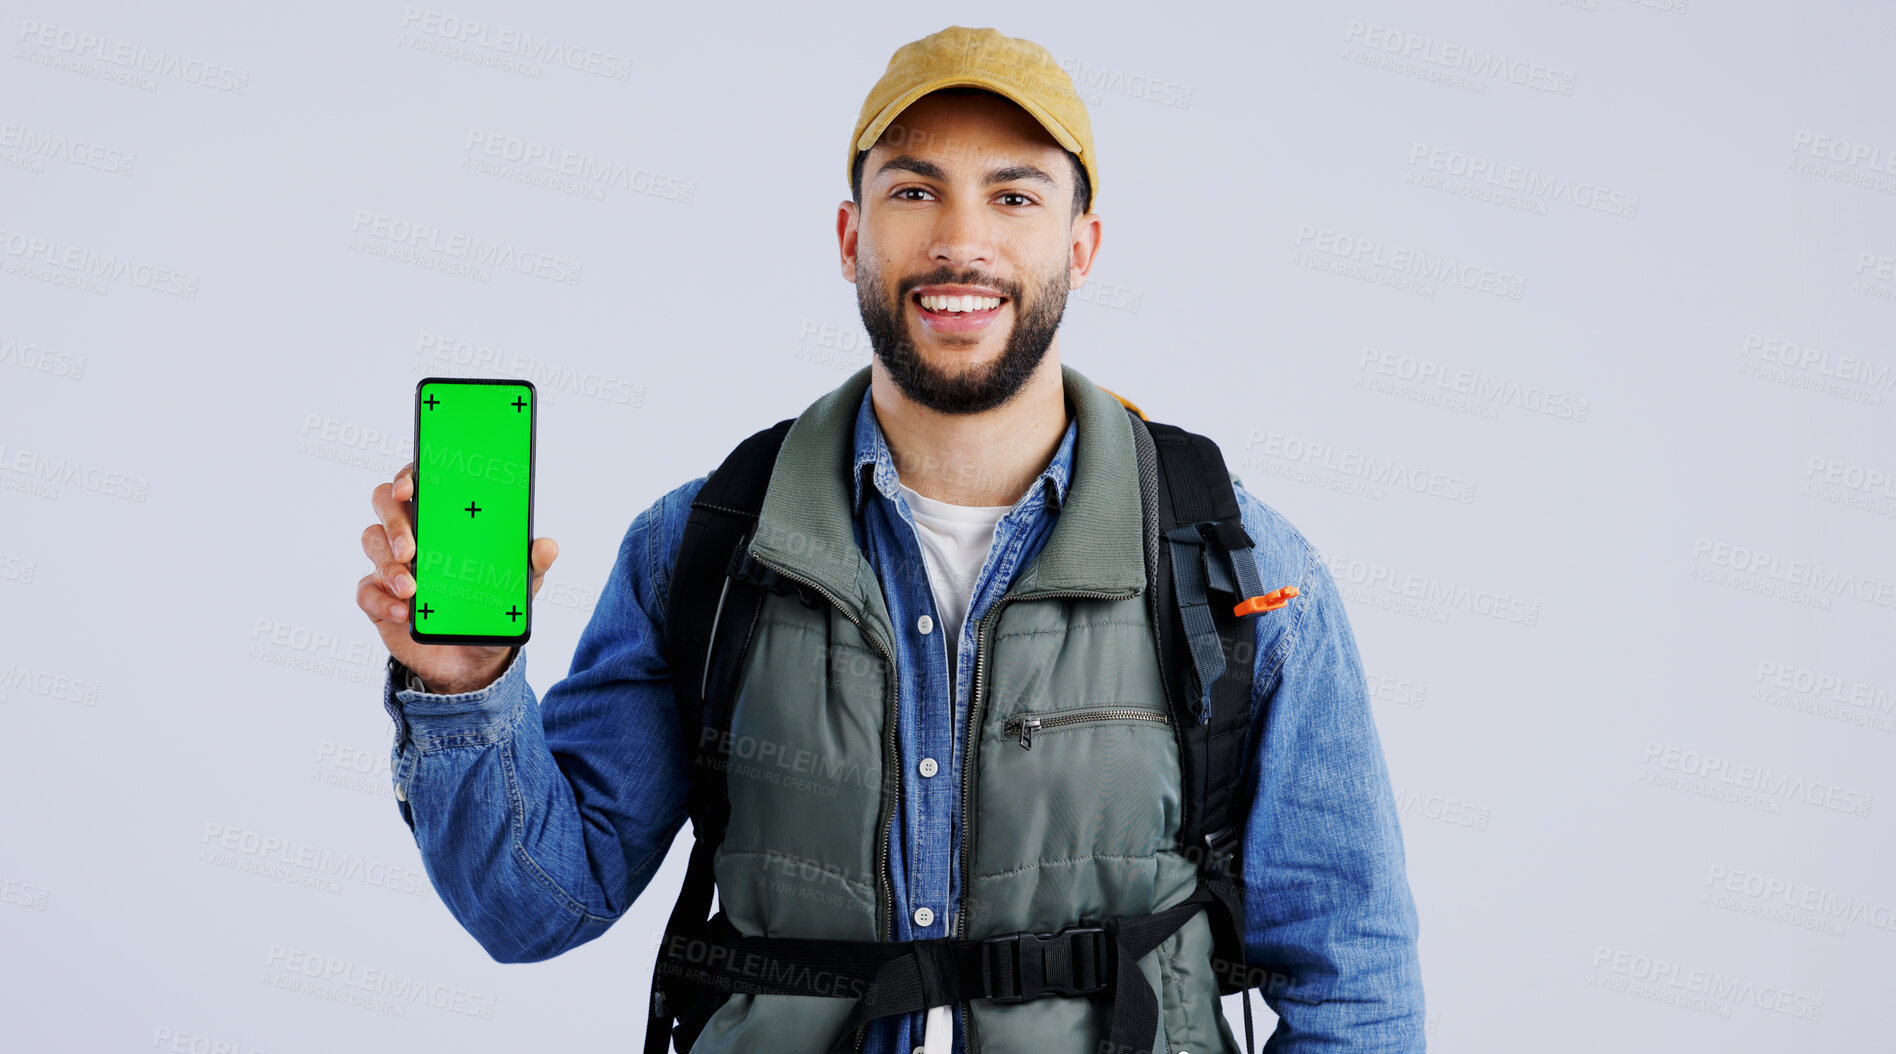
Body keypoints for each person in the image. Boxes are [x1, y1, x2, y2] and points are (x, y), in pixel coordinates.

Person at [356, 25, 1424, 1054]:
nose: (962, 239)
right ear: (850, 235)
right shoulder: (708, 546)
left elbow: (1354, 984)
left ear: (1082, 246)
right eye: (914, 191)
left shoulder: (1239, 568)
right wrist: (464, 688)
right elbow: (539, 902)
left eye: (1015, 195)